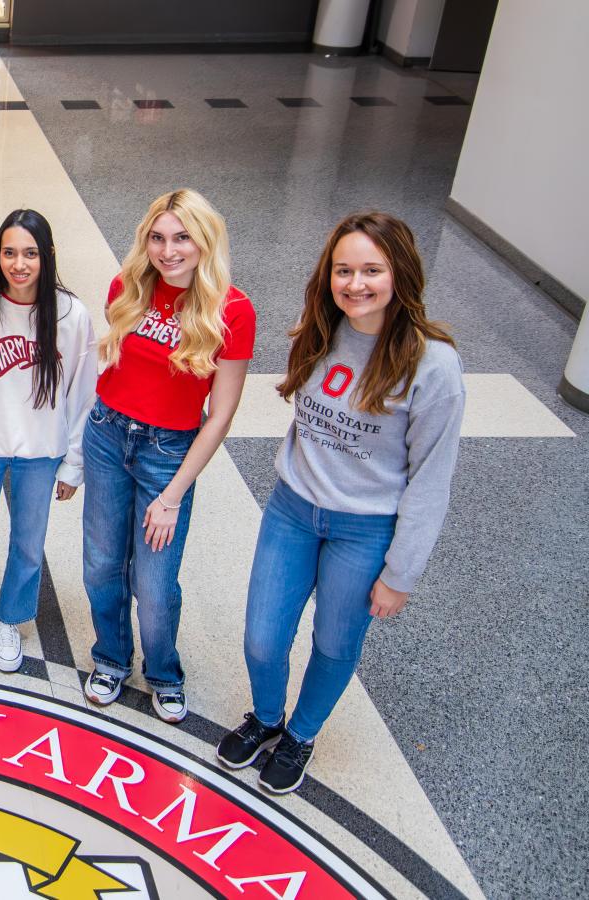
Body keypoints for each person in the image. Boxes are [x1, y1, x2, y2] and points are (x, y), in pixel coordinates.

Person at [217, 212, 462, 794]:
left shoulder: (435, 366)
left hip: (366, 529)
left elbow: (431, 481)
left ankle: (300, 735)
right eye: (344, 270)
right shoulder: (319, 330)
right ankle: (267, 718)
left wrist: (400, 574)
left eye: (372, 270)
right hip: (292, 510)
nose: (356, 284)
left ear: (400, 273)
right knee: (262, 636)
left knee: (333, 641)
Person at [82, 188, 254, 724]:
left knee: (155, 583)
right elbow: (110, 371)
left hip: (167, 453)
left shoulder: (234, 310)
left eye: (182, 238)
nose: (168, 250)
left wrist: (173, 495)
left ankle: (163, 672)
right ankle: (111, 657)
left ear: (205, 240)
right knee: (102, 566)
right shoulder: (128, 286)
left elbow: (220, 415)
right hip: (108, 436)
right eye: (157, 237)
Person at [0, 210, 97, 675]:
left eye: (30, 253)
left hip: (40, 455)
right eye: (9, 253)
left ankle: (9, 620)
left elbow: (83, 394)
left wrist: (73, 463)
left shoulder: (71, 315)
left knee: (28, 546)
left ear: (47, 256)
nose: (19, 264)